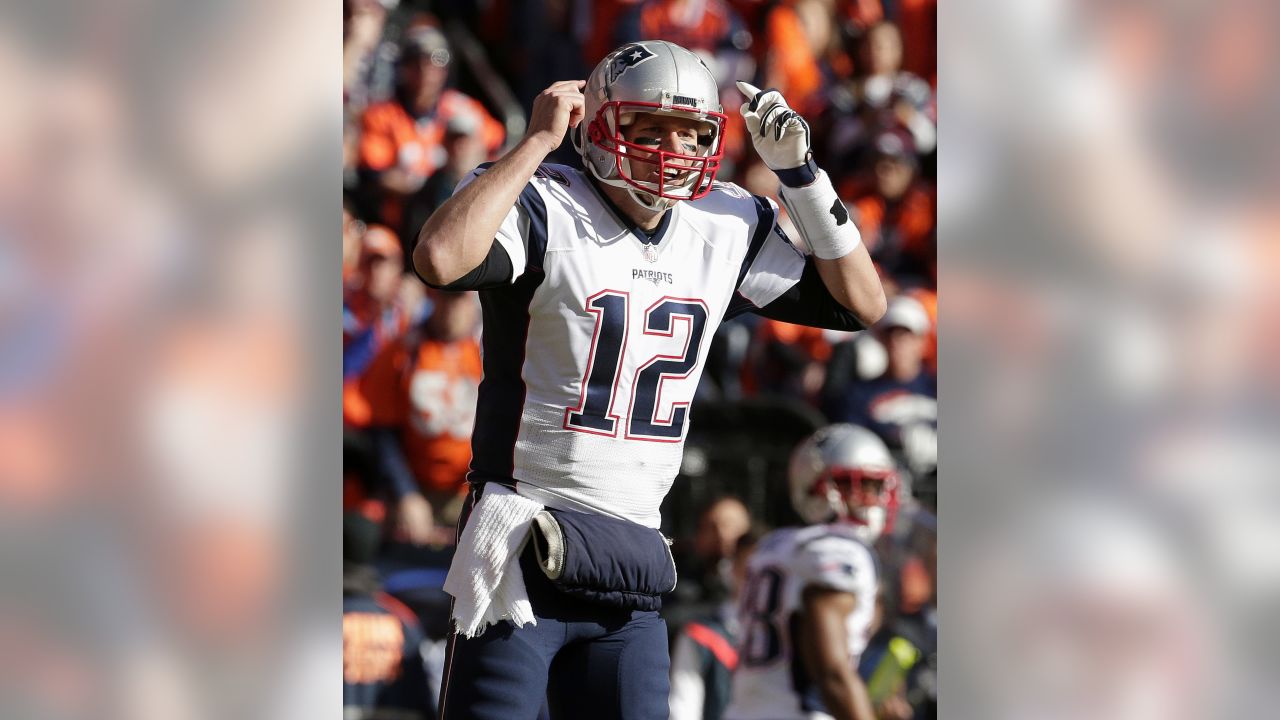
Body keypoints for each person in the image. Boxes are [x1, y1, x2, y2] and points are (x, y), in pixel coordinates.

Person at [414, 40, 886, 720]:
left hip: (633, 554)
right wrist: (536, 143)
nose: (674, 149)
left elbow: (860, 302)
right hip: (520, 544)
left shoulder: (722, 222)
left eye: (693, 133)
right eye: (650, 129)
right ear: (601, 126)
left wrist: (802, 177)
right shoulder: (544, 200)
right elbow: (439, 258)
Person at [723, 424, 900, 720]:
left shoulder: (774, 545)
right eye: (858, 486)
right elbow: (831, 672)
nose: (871, 499)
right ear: (817, 486)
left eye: (876, 487)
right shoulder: (840, 551)